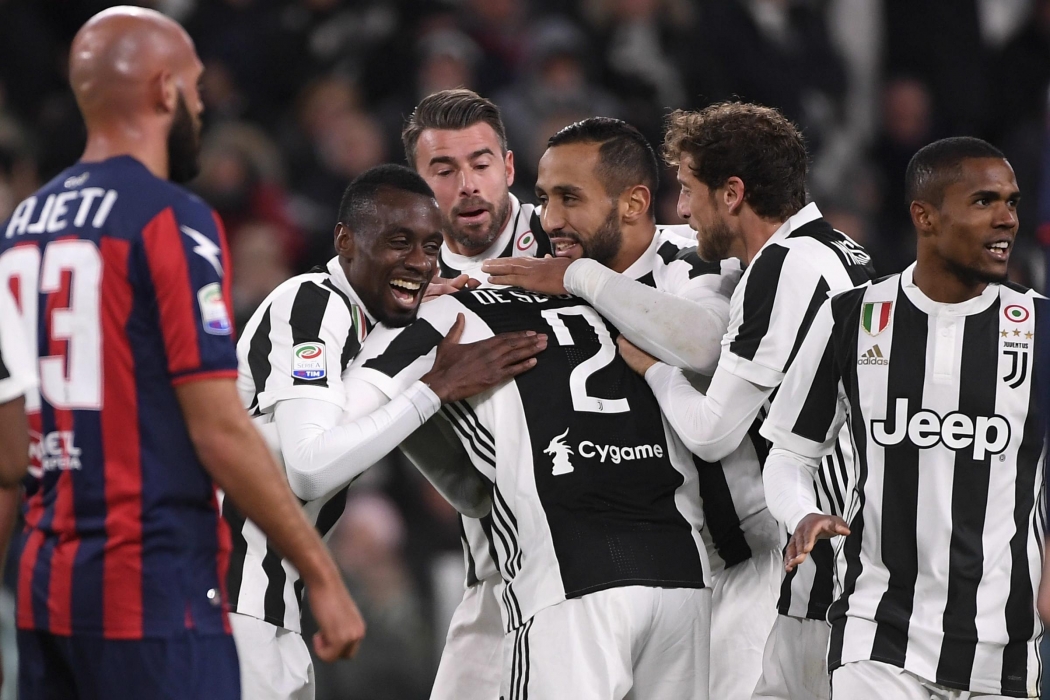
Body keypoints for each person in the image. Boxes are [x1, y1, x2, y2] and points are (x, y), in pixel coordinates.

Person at [0, 7, 362, 699]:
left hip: (45, 593)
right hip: (153, 587)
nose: (201, 106)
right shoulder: (171, 218)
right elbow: (218, 428)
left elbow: (6, 459)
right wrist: (321, 573)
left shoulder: (19, 231)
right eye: (195, 89)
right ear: (165, 90)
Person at [227, 163, 546, 700]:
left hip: (270, 605)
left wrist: (412, 360)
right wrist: (432, 389)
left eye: (430, 246)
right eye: (399, 242)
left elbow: (469, 493)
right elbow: (309, 468)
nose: (420, 262)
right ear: (345, 241)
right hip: (223, 595)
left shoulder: (365, 331)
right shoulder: (311, 301)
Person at [762, 136, 1043, 699]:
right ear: (925, 216)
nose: (1006, 219)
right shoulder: (851, 317)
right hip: (878, 635)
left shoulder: (1041, 328)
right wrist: (801, 512)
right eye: (984, 201)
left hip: (1004, 650)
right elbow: (790, 453)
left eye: (1011, 202)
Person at [616, 103, 875, 700]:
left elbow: (711, 433)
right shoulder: (839, 249)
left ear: (732, 194)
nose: (683, 210)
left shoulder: (781, 269)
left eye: (689, 190)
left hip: (819, 548)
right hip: (849, 540)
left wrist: (654, 368)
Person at [347, 283, 712, 700]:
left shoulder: (434, 316)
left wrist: (424, 395)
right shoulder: (629, 293)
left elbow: (321, 450)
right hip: (682, 569)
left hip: (562, 573)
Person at [400, 88, 554, 700]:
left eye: (481, 164)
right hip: (496, 554)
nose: (467, 185)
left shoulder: (565, 237)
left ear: (509, 167)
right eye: (443, 170)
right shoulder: (403, 283)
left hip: (605, 531)